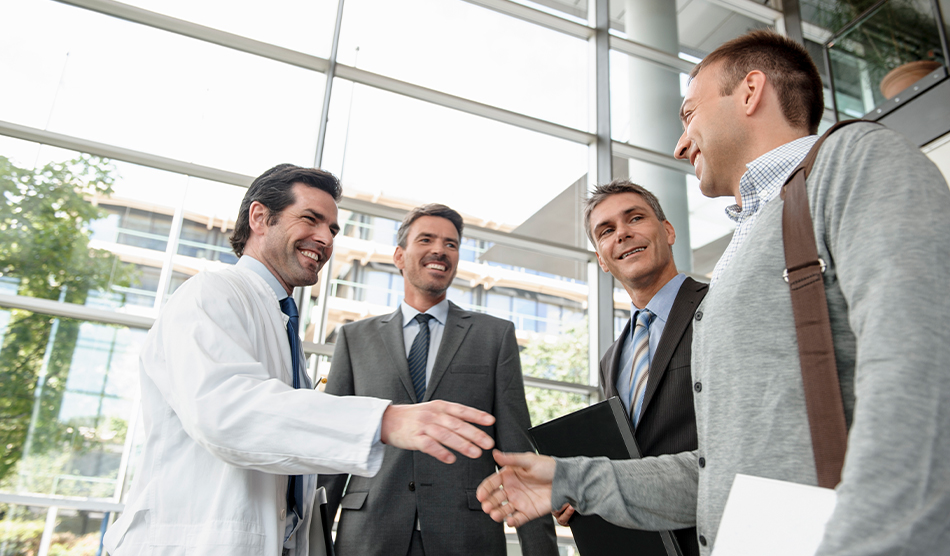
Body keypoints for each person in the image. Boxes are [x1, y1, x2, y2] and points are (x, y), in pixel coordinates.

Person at [477, 30, 950, 555]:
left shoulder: (854, 161)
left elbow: (922, 369)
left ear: (750, 92)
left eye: (688, 114)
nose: (680, 144)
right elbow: (720, 472)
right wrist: (571, 480)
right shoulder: (743, 249)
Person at [103, 165, 497, 556]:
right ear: (259, 217)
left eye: (333, 229)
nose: (325, 238)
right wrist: (385, 420)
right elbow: (226, 410)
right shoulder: (210, 295)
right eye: (311, 219)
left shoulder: (280, 321)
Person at [317, 204, 558, 556]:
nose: (440, 250)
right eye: (426, 239)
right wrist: (312, 540)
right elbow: (335, 446)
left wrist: (541, 551)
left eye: (451, 244)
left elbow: (516, 452)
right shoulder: (355, 338)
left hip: (466, 534)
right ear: (399, 256)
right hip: (369, 533)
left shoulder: (494, 336)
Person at [553, 180, 705, 556]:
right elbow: (624, 460)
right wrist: (580, 493)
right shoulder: (612, 359)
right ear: (602, 260)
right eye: (606, 231)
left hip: (717, 535)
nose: (622, 233)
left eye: (634, 218)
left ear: (668, 231)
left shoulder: (716, 307)